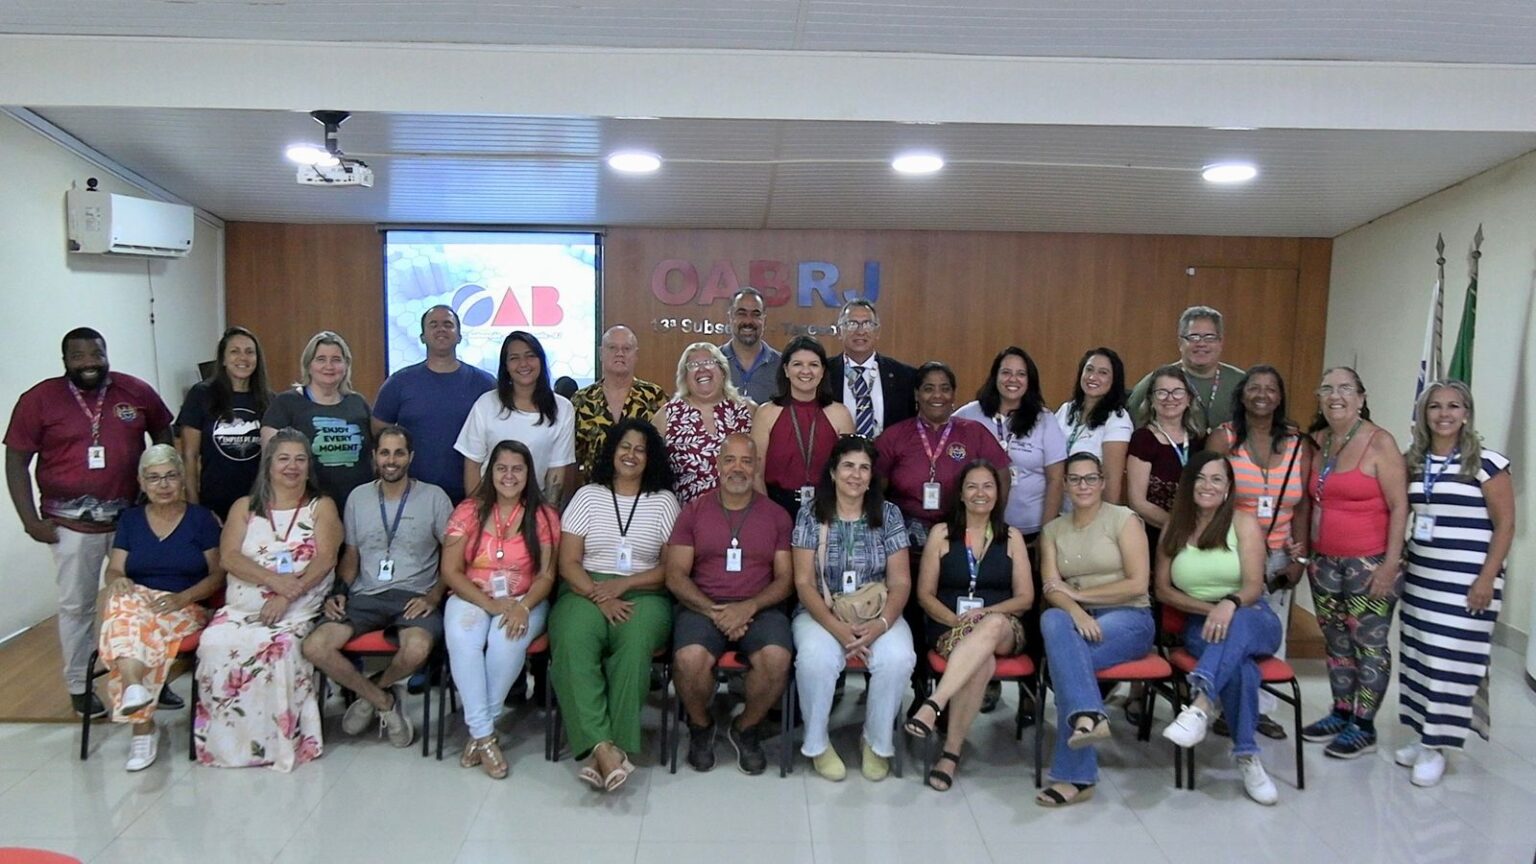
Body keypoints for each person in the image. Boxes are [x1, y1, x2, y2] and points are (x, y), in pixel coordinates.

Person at [5, 326, 173, 718]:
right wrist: (29, 520)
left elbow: (164, 433)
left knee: (142, 602)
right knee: (77, 607)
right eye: (78, 356)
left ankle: (152, 678)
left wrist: (157, 488)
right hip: (69, 526)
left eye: (96, 354)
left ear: (106, 353)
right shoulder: (39, 400)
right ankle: (80, 686)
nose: (89, 363)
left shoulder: (135, 391)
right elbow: (15, 461)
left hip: (131, 521)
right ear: (65, 360)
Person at [196, 428, 342, 771]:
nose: (292, 466)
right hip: (243, 606)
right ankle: (229, 745)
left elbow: (325, 559)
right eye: (284, 459)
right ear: (269, 464)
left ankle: (278, 744)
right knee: (214, 642)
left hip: (297, 605)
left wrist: (287, 595)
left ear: (309, 466)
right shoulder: (244, 507)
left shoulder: (321, 506)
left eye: (300, 459)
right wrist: (274, 582)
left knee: (278, 647)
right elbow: (229, 557)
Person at [299, 426, 452, 749]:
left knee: (417, 649)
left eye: (399, 453)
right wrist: (339, 591)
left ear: (410, 457)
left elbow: (453, 558)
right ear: (374, 457)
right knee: (314, 646)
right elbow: (351, 556)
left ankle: (371, 691)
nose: (391, 460)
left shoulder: (435, 497)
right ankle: (383, 700)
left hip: (415, 596)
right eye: (384, 453)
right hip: (365, 595)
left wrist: (433, 596)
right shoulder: (358, 498)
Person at [551, 419, 680, 791]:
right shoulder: (588, 496)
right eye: (625, 446)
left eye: (640, 449)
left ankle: (610, 745)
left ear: (651, 457)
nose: (631, 455)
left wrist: (624, 585)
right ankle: (604, 749)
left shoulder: (664, 501)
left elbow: (670, 568)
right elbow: (568, 562)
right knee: (573, 641)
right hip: (585, 587)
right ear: (611, 451)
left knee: (635, 642)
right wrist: (599, 594)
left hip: (645, 590)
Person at [1397, 381, 1513, 787]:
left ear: (1466, 413)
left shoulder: (1487, 463)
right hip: (1423, 580)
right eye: (1435, 406)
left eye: (1454, 406)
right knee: (1421, 657)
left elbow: (1506, 525)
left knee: (1452, 663)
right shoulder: (1414, 461)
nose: (1444, 414)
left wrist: (1487, 578)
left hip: (1468, 583)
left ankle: (1438, 746)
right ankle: (1422, 735)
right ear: (1424, 413)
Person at [1157, 452, 1283, 805]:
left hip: (1253, 616)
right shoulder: (1174, 527)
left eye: (1216, 479)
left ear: (1228, 487)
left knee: (1237, 625)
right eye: (1200, 478)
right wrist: (1212, 610)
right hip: (1202, 623)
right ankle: (1248, 757)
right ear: (1188, 484)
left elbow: (1254, 586)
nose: (1207, 485)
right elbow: (1163, 590)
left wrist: (1229, 604)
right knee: (1240, 669)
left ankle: (1200, 705)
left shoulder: (1243, 523)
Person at [666, 434, 795, 775]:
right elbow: (675, 575)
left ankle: (746, 727)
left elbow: (785, 579)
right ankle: (701, 725)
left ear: (756, 468)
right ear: (718, 465)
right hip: (702, 606)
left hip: (760, 607)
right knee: (688, 659)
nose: (738, 468)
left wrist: (748, 607)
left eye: (746, 461)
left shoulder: (777, 516)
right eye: (730, 460)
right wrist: (715, 611)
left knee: (777, 658)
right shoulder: (693, 512)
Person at [1030, 453, 1153, 806]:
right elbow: (1052, 588)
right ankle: (1087, 717)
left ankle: (1077, 775)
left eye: (1090, 478)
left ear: (1102, 482)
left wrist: (1080, 596)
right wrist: (1077, 612)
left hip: (1129, 617)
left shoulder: (1123, 519)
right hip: (1078, 620)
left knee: (1065, 663)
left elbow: (1137, 584)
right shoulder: (1053, 530)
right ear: (1065, 485)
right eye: (1075, 479)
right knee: (1052, 620)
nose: (1082, 486)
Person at [791, 436, 916, 782]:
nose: (855, 475)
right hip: (821, 612)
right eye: (848, 466)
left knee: (897, 658)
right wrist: (836, 628)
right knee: (816, 659)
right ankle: (817, 744)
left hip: (877, 611)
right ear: (833, 472)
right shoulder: (810, 513)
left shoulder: (889, 514)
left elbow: (901, 582)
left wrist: (881, 624)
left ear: (872, 476)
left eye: (864, 468)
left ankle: (876, 742)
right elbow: (803, 583)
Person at [908, 460, 1034, 792]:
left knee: (991, 625)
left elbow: (1025, 598)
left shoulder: (1012, 537)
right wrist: (957, 623)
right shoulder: (941, 533)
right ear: (961, 495)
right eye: (972, 486)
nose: (981, 493)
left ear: (998, 493)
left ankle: (935, 703)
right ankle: (951, 753)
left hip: (1005, 626)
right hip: (949, 625)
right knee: (982, 661)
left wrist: (984, 614)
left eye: (988, 486)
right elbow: (924, 595)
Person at [1302, 367, 1408, 758]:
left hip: (1371, 563)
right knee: (1336, 641)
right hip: (1325, 562)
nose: (1336, 395)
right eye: (1327, 388)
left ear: (1361, 398)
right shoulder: (1319, 441)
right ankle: (1342, 711)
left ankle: (1364, 726)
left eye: (1345, 388)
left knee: (1369, 644)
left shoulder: (1380, 442)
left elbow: (1400, 506)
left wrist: (1390, 565)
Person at [97, 445, 224, 771]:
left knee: (132, 627)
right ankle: (134, 690)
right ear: (141, 483)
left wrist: (183, 598)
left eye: (170, 476)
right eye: (154, 478)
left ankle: (141, 726)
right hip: (140, 603)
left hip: (185, 605)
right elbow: (115, 570)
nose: (163, 485)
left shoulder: (200, 519)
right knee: (126, 608)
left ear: (182, 479)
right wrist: (117, 581)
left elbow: (218, 574)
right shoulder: (131, 519)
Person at [440, 440, 560, 779]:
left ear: (529, 473)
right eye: (501, 468)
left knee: (507, 641)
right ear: (489, 472)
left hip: (526, 599)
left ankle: (479, 733)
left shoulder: (544, 516)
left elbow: (547, 575)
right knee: (463, 638)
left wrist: (523, 607)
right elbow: (450, 571)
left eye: (517, 469)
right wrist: (490, 604)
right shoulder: (468, 511)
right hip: (472, 596)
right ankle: (484, 735)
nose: (509, 475)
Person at [1209, 365, 1312, 740]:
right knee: (1233, 630)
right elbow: (1208, 496)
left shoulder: (1298, 444)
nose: (1262, 394)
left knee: (1272, 635)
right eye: (1254, 387)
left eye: (1271, 388)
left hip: (1281, 556)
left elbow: (1303, 506)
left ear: (1280, 397)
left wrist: (1300, 560)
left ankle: (1261, 710)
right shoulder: (1225, 438)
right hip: (1234, 553)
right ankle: (1225, 707)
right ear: (1241, 394)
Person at [372, 305, 495, 503]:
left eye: (448, 324)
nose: (441, 329)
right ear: (422, 337)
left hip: (472, 494)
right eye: (433, 324)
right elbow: (379, 430)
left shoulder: (485, 383)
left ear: (459, 336)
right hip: (411, 496)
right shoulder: (399, 382)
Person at [877, 361, 1008, 546]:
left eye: (945, 389)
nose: (937, 395)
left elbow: (1002, 476)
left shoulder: (974, 432)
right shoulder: (895, 436)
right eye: (928, 389)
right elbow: (876, 488)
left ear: (953, 394)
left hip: (961, 534)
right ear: (917, 394)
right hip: (904, 536)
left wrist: (990, 522)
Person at [954, 347, 1066, 538]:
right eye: (1006, 372)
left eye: (1021, 374)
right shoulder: (969, 414)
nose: (1013, 379)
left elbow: (1056, 479)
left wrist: (1046, 534)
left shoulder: (1045, 420)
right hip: (976, 530)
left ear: (1029, 380)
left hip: (1030, 530)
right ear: (995, 376)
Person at [455, 331, 576, 507]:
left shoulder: (563, 408)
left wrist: (548, 516)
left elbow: (556, 470)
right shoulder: (486, 404)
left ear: (541, 360)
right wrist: (477, 512)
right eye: (514, 358)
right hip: (490, 505)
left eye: (530, 356)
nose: (523, 364)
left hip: (535, 507)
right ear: (505, 366)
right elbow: (473, 464)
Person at [261, 330, 373, 509]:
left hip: (358, 506)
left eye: (336, 360)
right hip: (306, 506)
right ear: (308, 365)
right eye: (321, 359)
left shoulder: (358, 403)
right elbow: (271, 463)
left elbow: (374, 455)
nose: (329, 366)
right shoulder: (285, 404)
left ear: (346, 365)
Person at [752, 335, 855, 514]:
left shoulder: (840, 414)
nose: (805, 371)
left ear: (822, 371)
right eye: (797, 364)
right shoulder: (766, 413)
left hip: (828, 508)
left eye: (813, 365)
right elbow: (755, 473)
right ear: (786, 370)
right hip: (776, 506)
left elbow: (849, 471)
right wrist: (769, 515)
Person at [177, 326, 271, 520]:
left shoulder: (270, 400)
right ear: (223, 359)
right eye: (235, 351)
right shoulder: (201, 395)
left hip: (259, 504)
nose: (243, 358)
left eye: (249, 352)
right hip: (213, 505)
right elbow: (189, 456)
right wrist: (194, 507)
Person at [653, 342, 754, 504]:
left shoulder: (747, 410)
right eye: (693, 365)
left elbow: (761, 469)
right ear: (685, 377)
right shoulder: (667, 415)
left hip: (741, 512)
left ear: (722, 371)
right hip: (686, 514)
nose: (702, 369)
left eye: (709, 362)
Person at [1126, 365, 1206, 556]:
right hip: (1156, 537)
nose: (1170, 398)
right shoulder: (1143, 439)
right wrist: (1179, 528)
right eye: (1162, 392)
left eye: (1177, 392)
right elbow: (1137, 502)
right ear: (1151, 401)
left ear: (1189, 399)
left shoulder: (1200, 440)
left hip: (1197, 536)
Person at [570, 325, 667, 480]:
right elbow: (572, 459)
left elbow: (664, 451)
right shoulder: (582, 400)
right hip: (594, 490)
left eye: (626, 348)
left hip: (644, 489)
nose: (620, 353)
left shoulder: (655, 396)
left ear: (636, 355)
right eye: (612, 348)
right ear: (601, 353)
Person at [1128, 305, 1246, 429]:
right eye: (1193, 337)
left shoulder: (1241, 382)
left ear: (1220, 342)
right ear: (1180, 343)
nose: (1201, 344)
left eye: (1209, 337)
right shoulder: (1156, 381)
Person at [826, 299, 917, 438]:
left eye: (867, 324)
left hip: (889, 452)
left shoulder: (904, 376)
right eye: (852, 324)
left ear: (877, 332)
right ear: (839, 332)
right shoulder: (823, 372)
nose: (860, 331)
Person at [1054, 348, 1133, 505]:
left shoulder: (1118, 420)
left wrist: (1104, 519)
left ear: (1114, 379)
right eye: (1089, 369)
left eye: (1103, 373)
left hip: (1090, 510)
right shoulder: (1066, 409)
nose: (1092, 377)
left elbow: (1111, 480)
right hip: (1056, 505)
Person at [719, 288, 781, 404]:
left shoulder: (782, 366)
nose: (748, 321)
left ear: (764, 319)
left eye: (756, 314)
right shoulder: (714, 362)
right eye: (741, 313)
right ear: (731, 317)